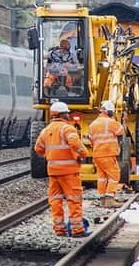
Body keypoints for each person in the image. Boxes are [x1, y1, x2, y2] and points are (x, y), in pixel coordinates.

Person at [34, 101, 90, 237]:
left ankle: (59, 230)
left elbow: (38, 148)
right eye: (67, 113)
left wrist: (50, 156)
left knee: (55, 200)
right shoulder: (67, 129)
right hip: (69, 171)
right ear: (63, 114)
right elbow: (75, 143)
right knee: (74, 199)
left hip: (53, 171)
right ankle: (77, 230)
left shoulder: (46, 130)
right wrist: (83, 154)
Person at [88, 101, 125, 208]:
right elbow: (121, 131)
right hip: (108, 153)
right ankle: (110, 198)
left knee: (102, 177)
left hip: (97, 155)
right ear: (109, 112)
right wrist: (122, 121)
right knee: (114, 175)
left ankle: (102, 199)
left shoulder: (93, 124)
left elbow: (91, 140)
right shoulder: (110, 122)